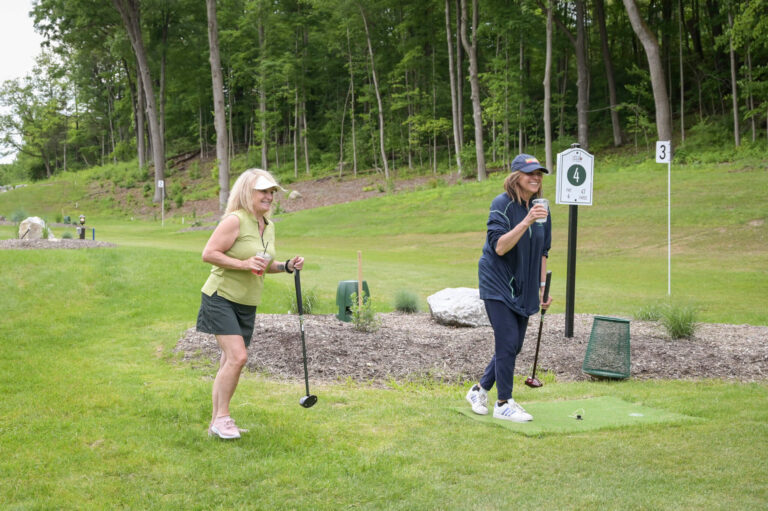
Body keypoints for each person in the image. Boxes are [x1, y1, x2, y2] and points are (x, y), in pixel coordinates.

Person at [196, 168, 304, 439]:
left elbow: (264, 266)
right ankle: (223, 418)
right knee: (238, 357)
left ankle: (215, 424)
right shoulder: (235, 220)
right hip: (220, 296)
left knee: (228, 362)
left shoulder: (269, 226)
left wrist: (287, 266)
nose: (269, 197)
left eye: (272, 192)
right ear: (248, 192)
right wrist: (242, 264)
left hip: (247, 302)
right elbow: (209, 254)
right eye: (263, 191)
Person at [465, 154, 553, 422]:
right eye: (530, 173)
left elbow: (542, 252)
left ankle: (478, 390)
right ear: (516, 177)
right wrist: (526, 220)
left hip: (524, 285)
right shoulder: (501, 204)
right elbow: (500, 246)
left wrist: (542, 289)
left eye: (539, 174)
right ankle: (504, 402)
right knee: (506, 341)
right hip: (497, 280)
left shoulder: (542, 209)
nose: (536, 177)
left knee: (513, 346)